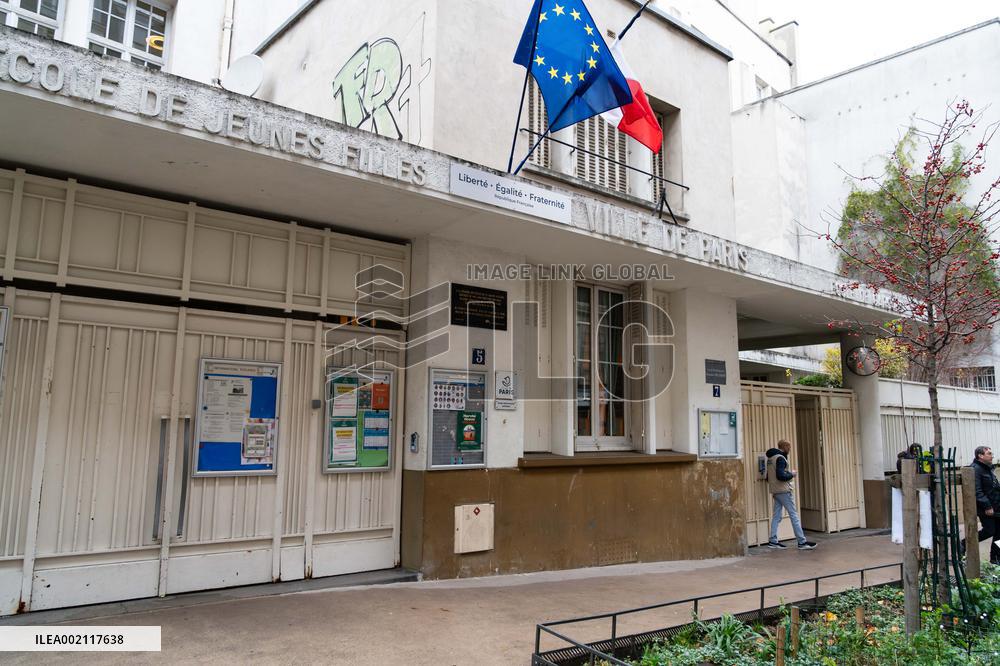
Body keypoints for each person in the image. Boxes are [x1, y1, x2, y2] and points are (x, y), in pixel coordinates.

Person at [766, 439, 817, 550]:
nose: (789, 450)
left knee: (776, 516)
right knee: (794, 515)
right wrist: (791, 474)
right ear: (785, 447)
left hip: (775, 491)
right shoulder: (780, 458)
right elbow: (780, 476)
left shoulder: (770, 459)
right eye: (789, 447)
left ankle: (773, 541)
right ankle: (802, 542)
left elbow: (768, 477)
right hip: (784, 491)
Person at [972, 445, 1000, 565]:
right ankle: (963, 544)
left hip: (996, 506)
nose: (992, 456)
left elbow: (994, 488)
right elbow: (977, 491)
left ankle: (996, 559)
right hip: (986, 508)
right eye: (989, 453)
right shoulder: (975, 469)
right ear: (980, 456)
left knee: (999, 534)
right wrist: (987, 506)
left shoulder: (988, 469)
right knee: (989, 531)